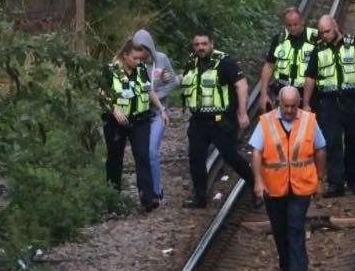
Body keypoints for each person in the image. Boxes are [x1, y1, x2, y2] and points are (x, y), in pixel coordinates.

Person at [250, 86, 327, 271]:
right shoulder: (266, 122)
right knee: (280, 230)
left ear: (299, 103)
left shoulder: (309, 120)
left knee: (295, 225)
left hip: (301, 185)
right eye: (286, 106)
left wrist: (319, 178)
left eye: (294, 106)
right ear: (279, 103)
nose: (290, 110)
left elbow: (320, 149)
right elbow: (256, 153)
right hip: (274, 187)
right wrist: (258, 181)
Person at [180, 30, 254, 208]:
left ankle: (256, 185)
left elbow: (241, 85)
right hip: (198, 120)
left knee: (230, 156)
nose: (201, 48)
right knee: (196, 157)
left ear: (211, 44)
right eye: (197, 44)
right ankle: (200, 197)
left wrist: (242, 113)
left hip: (221, 120)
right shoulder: (193, 62)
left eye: (204, 44)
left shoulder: (225, 62)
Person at [303, 15, 355, 197]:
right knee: (332, 143)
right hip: (328, 102)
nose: (324, 35)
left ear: (335, 26)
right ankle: (336, 184)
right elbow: (310, 77)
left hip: (351, 101)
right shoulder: (318, 50)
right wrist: (306, 103)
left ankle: (353, 180)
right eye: (321, 32)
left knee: (354, 141)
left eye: (327, 31)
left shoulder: (353, 44)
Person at [100, 39, 169, 212]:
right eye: (135, 58)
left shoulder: (141, 70)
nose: (139, 62)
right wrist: (113, 109)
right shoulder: (110, 70)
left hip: (140, 119)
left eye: (141, 59)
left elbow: (148, 90)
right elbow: (102, 94)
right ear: (125, 55)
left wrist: (161, 108)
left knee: (142, 154)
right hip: (116, 121)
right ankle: (112, 199)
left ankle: (147, 197)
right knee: (115, 158)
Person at [132, 29, 179, 203]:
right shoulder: (134, 62)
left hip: (159, 111)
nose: (141, 54)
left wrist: (158, 96)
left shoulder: (161, 59)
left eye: (143, 49)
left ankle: (157, 189)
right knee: (142, 152)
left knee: (152, 150)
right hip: (141, 114)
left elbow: (172, 81)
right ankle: (145, 191)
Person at [255, 7, 319, 113]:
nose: (292, 28)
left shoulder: (316, 38)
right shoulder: (279, 39)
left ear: (302, 21)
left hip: (307, 95)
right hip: (282, 94)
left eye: (295, 24)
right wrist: (263, 94)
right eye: (289, 25)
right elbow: (269, 66)